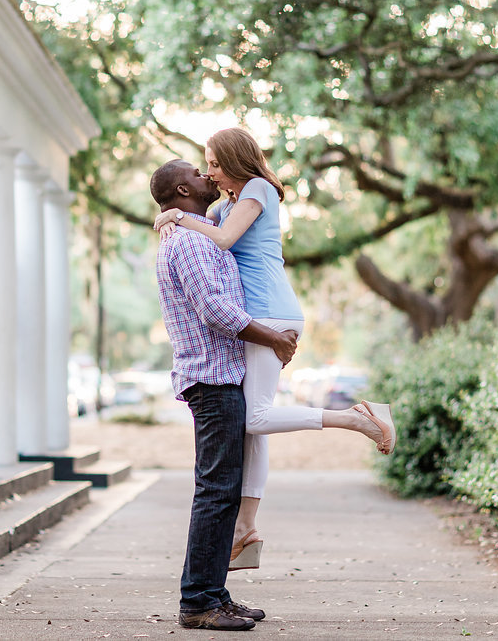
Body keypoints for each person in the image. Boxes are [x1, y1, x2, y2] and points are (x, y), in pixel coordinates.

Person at [154, 128, 396, 571]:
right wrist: (176, 216)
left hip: (269, 313)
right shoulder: (227, 204)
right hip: (260, 315)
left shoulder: (259, 190)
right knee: (254, 425)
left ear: (234, 159)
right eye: (203, 166)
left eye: (213, 162)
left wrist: (175, 217)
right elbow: (208, 232)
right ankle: (246, 530)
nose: (209, 171)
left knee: (257, 417)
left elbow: (223, 240)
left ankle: (357, 418)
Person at [151, 158, 299, 631]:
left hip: (221, 374)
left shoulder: (199, 228)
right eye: (199, 172)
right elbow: (216, 310)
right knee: (215, 493)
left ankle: (213, 592)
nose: (208, 176)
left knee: (221, 491)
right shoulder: (190, 241)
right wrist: (271, 337)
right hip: (212, 379)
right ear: (181, 188)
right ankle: (197, 602)